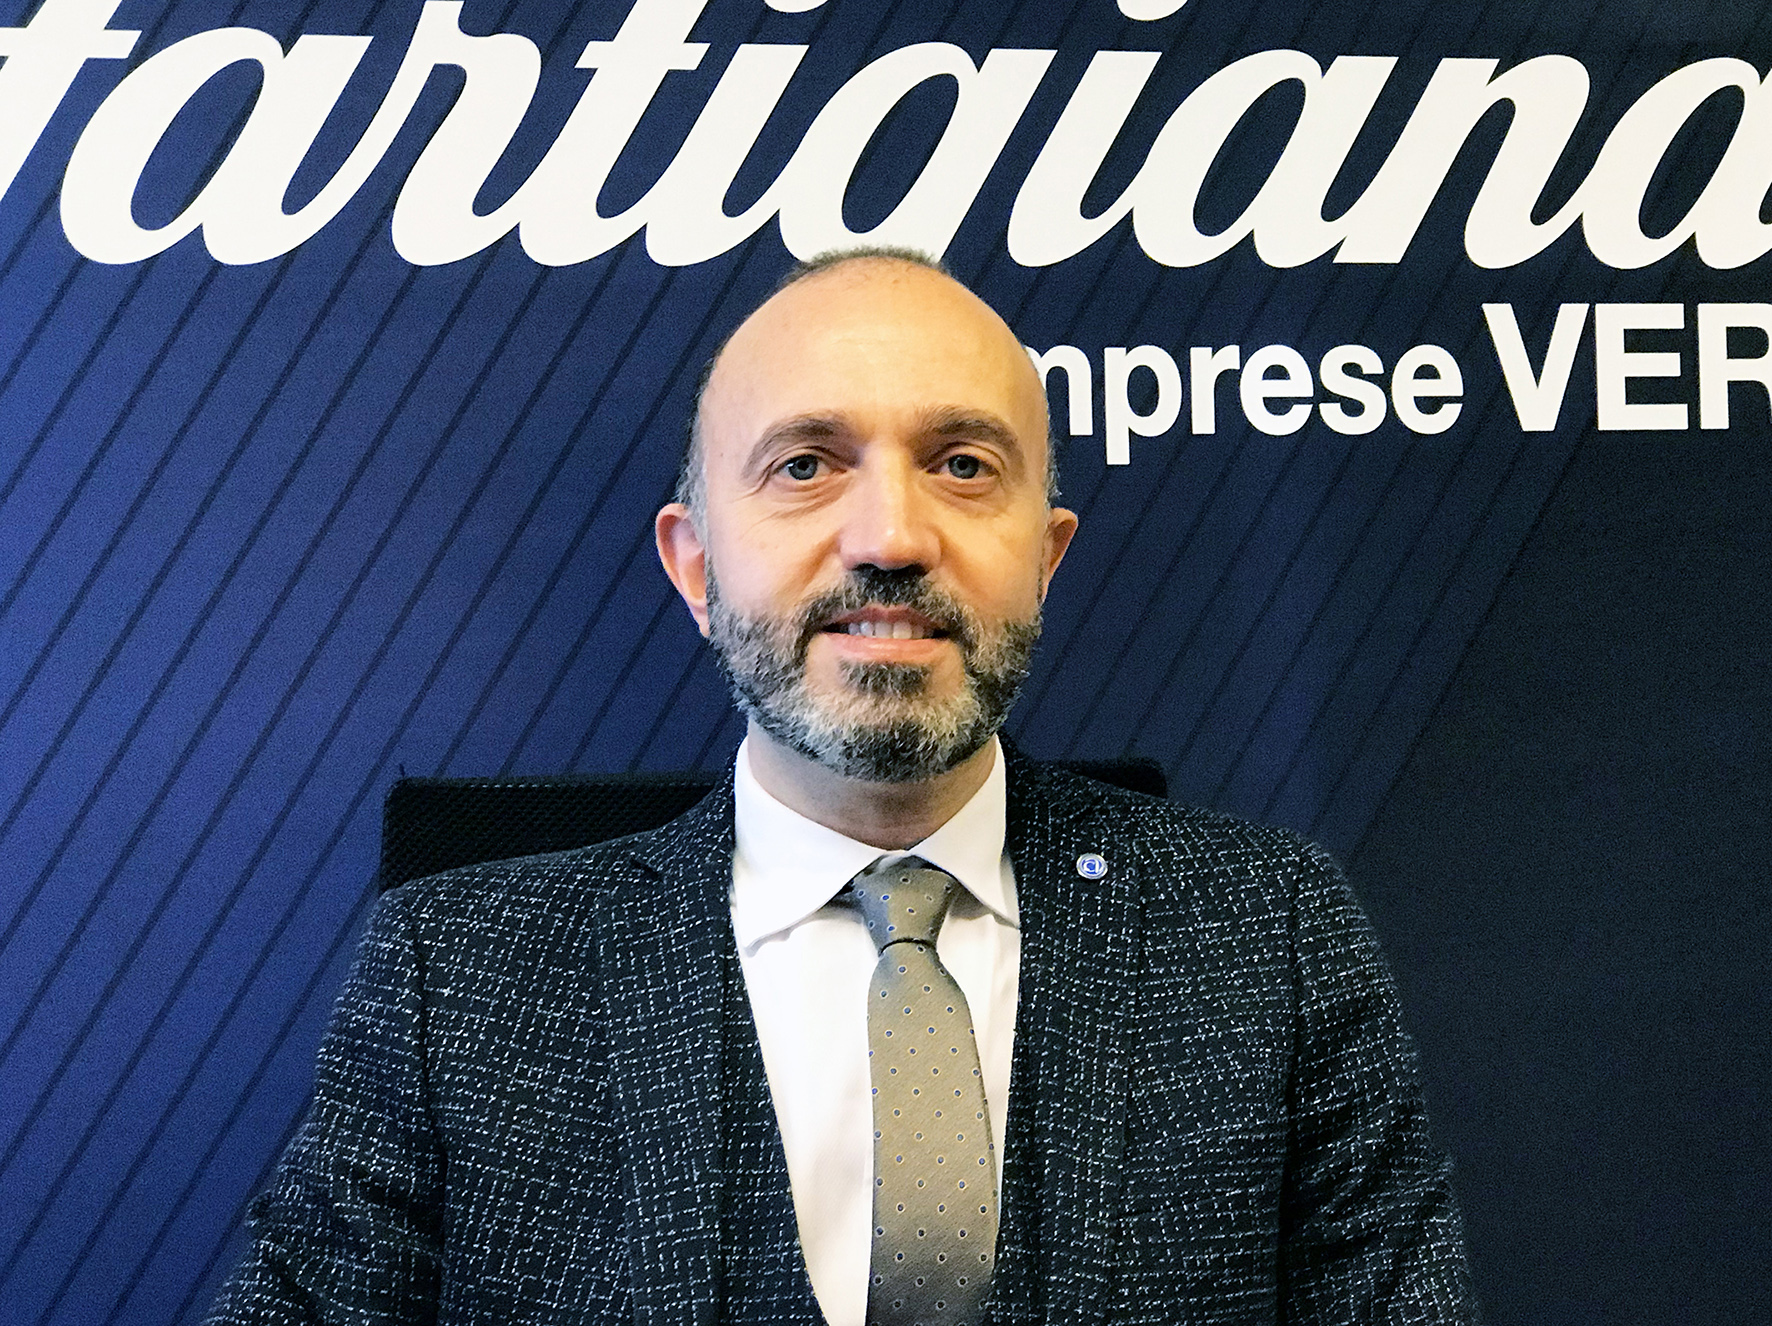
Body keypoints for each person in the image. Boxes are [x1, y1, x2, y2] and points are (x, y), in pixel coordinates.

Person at [207, 251, 1476, 1324]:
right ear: (695, 567)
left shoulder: (1271, 932)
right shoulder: (455, 979)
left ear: (1044, 561)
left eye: (962, 466)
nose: (890, 539)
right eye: (806, 465)